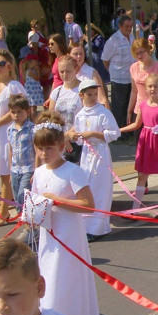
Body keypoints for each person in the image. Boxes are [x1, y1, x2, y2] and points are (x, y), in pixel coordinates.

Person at [29, 112, 100, 315]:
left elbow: (88, 205)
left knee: (67, 281)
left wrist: (57, 201)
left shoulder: (73, 171)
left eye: (49, 148)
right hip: (48, 236)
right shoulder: (39, 173)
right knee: (48, 279)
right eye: (40, 149)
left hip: (69, 235)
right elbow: (36, 200)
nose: (44, 154)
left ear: (61, 146)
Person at [120, 75, 158, 217]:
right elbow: (137, 124)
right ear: (146, 89)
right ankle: (135, 209)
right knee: (142, 176)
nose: (153, 89)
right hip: (147, 143)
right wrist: (119, 130)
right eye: (150, 86)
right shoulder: (142, 105)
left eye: (155, 86)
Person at [68, 79, 120, 241]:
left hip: (100, 154)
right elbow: (78, 139)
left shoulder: (103, 112)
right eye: (89, 94)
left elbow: (114, 133)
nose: (92, 97)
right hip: (86, 156)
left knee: (100, 188)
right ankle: (86, 225)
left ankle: (98, 227)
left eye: (95, 94)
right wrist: (76, 136)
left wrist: (94, 134)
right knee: (87, 186)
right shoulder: (80, 115)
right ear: (81, 96)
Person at [0, 49, 24, 226]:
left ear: (9, 66)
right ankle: (10, 206)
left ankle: (4, 212)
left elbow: (14, 111)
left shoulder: (13, 86)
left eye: (1, 64)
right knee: (2, 173)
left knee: (7, 174)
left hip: (8, 132)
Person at [102, 15, 136, 129]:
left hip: (131, 78)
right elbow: (105, 59)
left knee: (128, 105)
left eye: (131, 26)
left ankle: (128, 128)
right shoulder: (113, 40)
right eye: (126, 26)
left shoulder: (132, 38)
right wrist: (112, 72)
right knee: (118, 106)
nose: (129, 28)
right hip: (118, 78)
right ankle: (117, 130)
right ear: (120, 26)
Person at [47, 56, 83, 164]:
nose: (64, 75)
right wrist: (61, 137)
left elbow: (85, 117)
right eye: (61, 71)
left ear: (76, 69)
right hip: (60, 141)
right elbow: (51, 118)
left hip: (78, 140)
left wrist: (67, 136)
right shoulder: (56, 92)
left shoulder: (83, 89)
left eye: (68, 71)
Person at [127, 38, 158, 127]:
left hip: (156, 109)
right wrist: (129, 111)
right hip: (139, 110)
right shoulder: (133, 67)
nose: (139, 56)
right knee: (139, 139)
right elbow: (134, 91)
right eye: (137, 53)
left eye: (142, 52)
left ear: (148, 50)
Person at [5, 95, 35, 217]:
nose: (16, 115)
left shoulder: (32, 129)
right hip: (15, 169)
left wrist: (36, 170)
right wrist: (10, 169)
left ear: (27, 111)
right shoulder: (10, 129)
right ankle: (24, 221)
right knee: (17, 198)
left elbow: (37, 150)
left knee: (24, 196)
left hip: (28, 168)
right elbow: (11, 149)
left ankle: (30, 223)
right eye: (13, 112)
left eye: (19, 112)